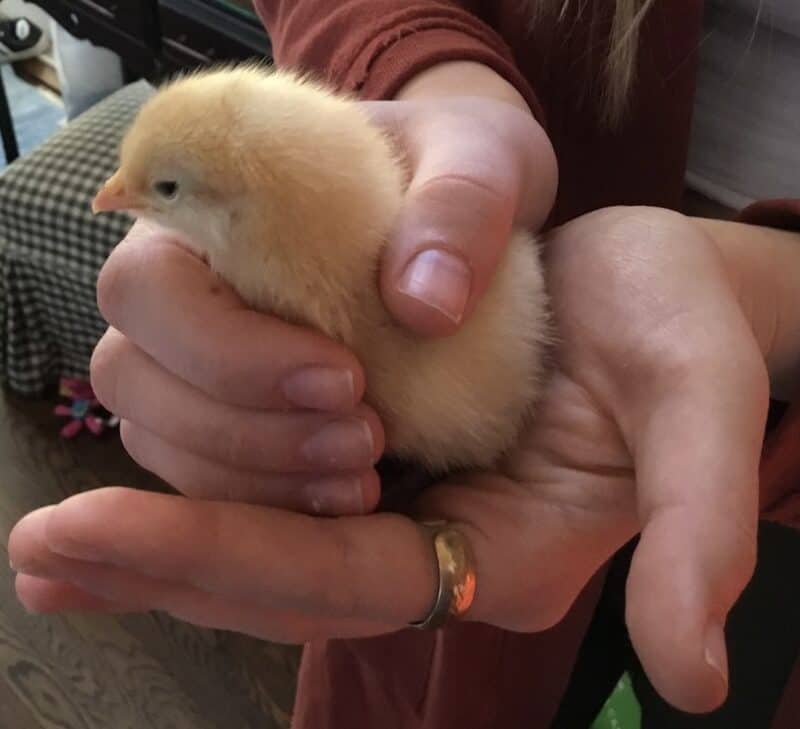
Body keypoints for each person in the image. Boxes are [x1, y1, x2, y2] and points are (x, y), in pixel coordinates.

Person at [7, 2, 800, 727]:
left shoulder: (287, 262)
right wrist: (437, 80)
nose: (116, 194)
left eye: (163, 189)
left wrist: (773, 300)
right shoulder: (290, 238)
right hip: (470, 530)